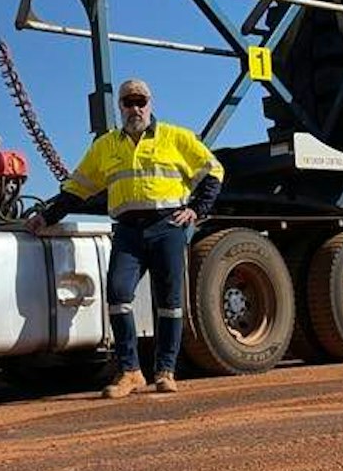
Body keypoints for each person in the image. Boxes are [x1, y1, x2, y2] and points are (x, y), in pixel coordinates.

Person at [24, 78, 223, 398]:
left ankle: (165, 371)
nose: (135, 108)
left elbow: (213, 171)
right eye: (128, 102)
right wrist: (46, 216)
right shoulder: (105, 146)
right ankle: (130, 371)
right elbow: (77, 189)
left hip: (167, 226)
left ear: (150, 103)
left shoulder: (176, 137)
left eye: (140, 101)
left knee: (169, 301)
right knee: (117, 293)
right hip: (128, 231)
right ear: (120, 106)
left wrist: (197, 210)